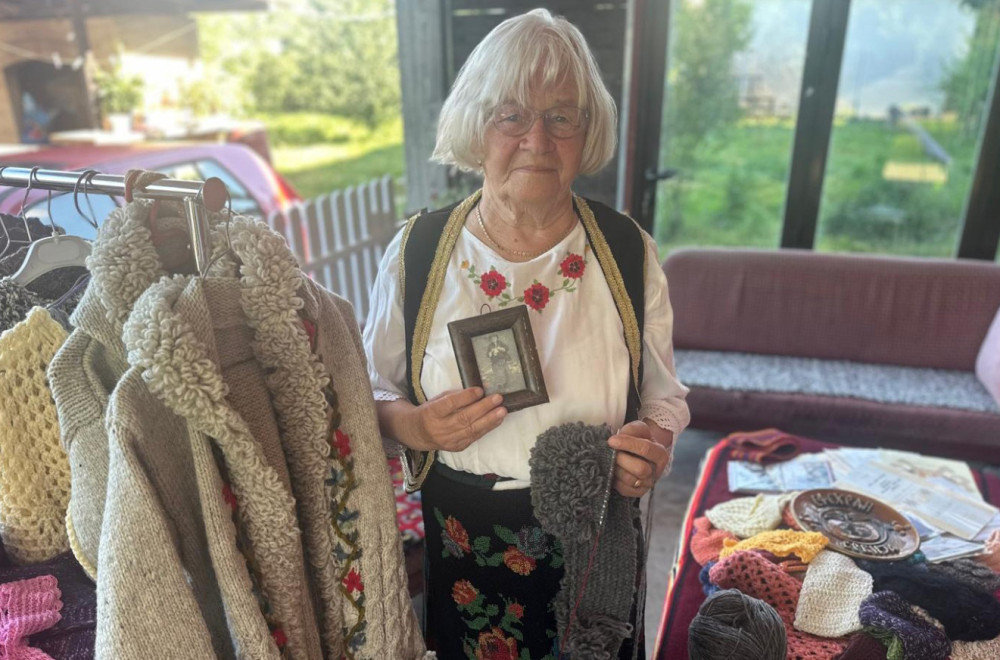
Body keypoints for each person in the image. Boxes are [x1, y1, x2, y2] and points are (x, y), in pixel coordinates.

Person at [362, 8, 689, 658]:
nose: (537, 139)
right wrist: (416, 428)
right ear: (475, 125)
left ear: (586, 131)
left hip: (599, 547)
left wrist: (653, 445)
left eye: (562, 116)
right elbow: (369, 394)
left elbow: (663, 396)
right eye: (510, 114)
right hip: (468, 548)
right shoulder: (419, 252)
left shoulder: (627, 250)